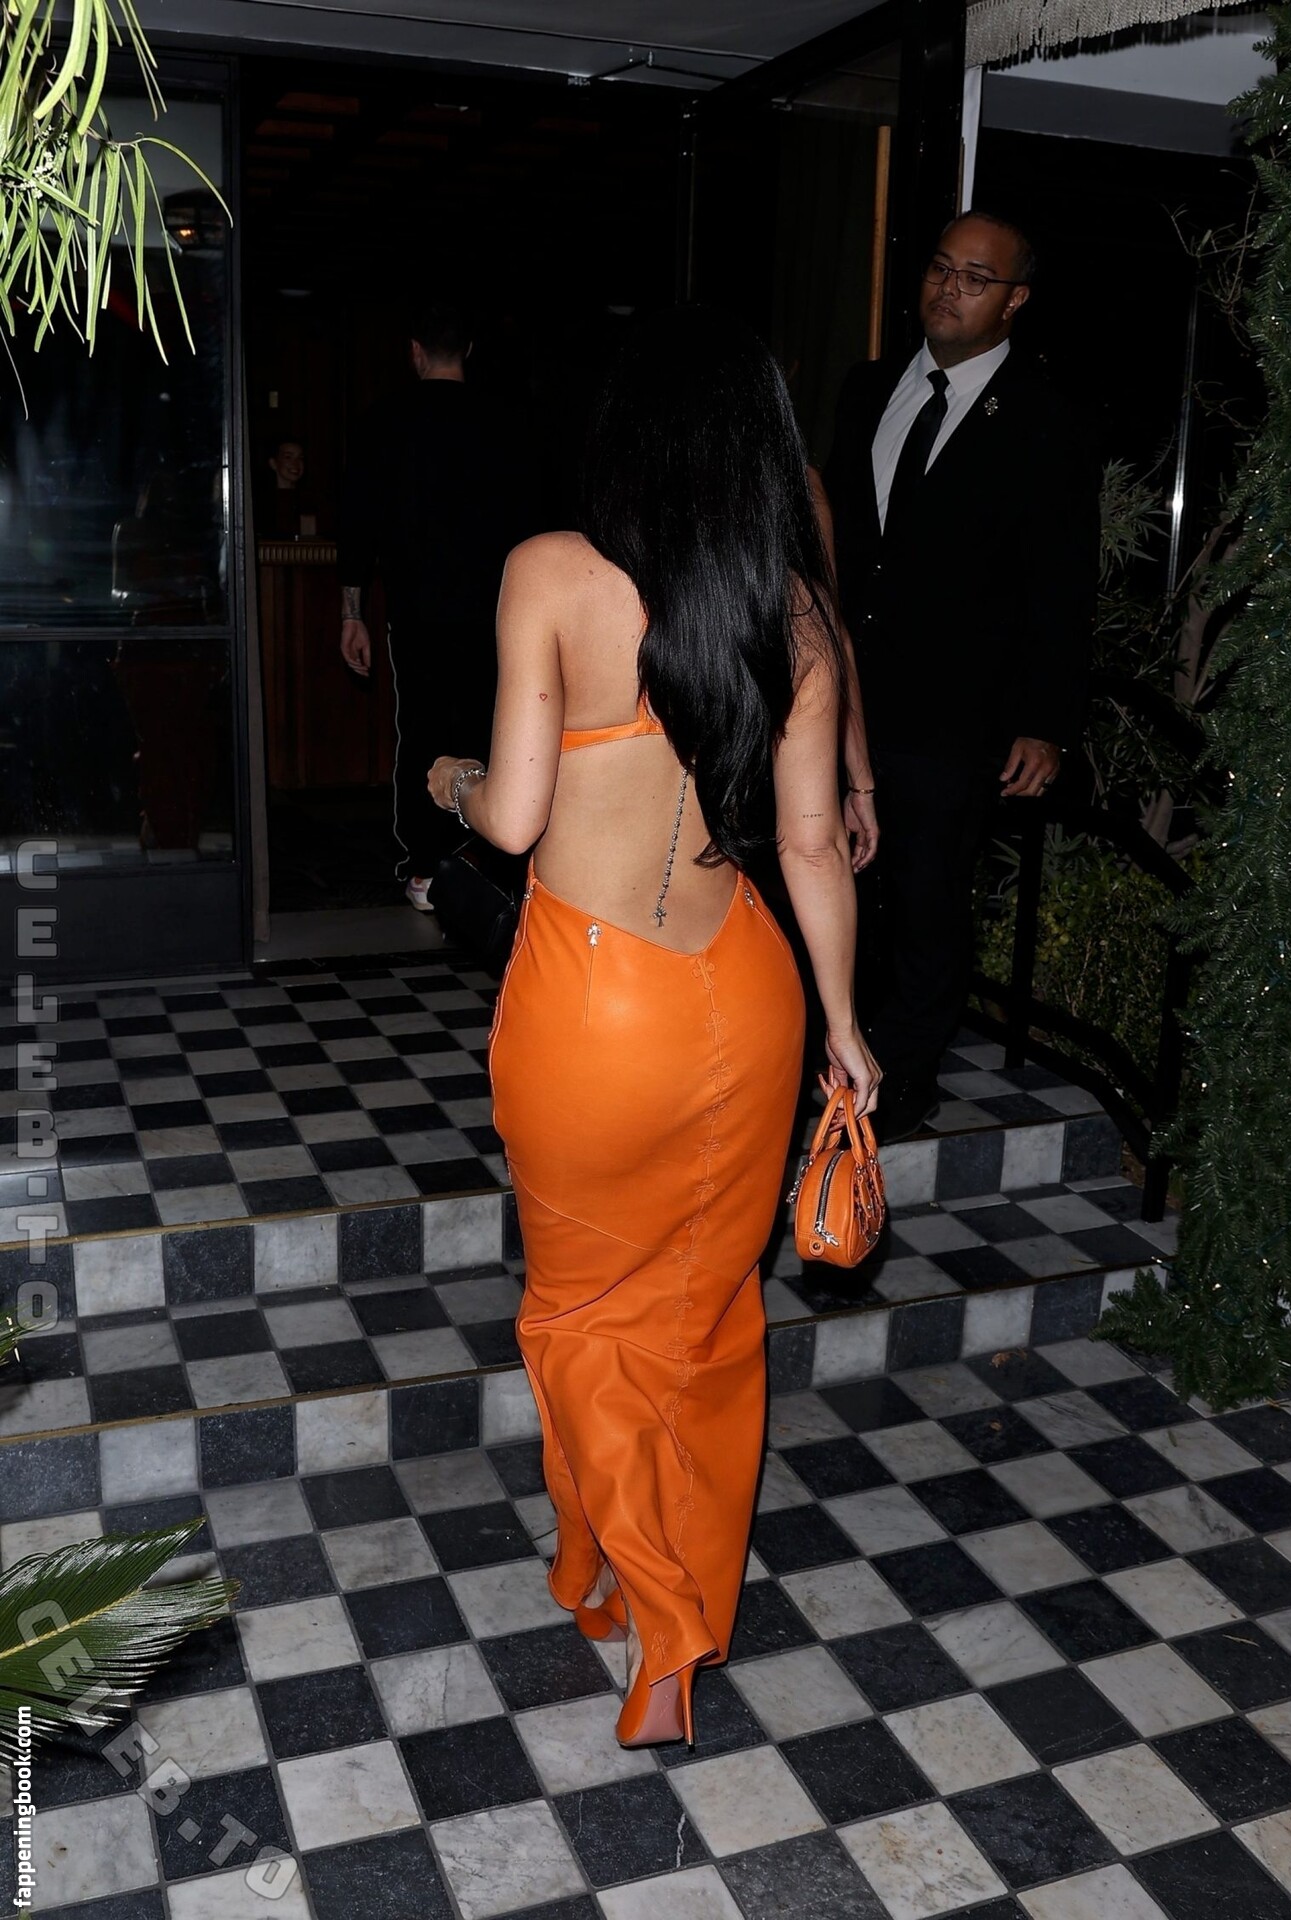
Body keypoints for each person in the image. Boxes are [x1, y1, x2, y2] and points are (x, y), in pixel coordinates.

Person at [427, 308, 879, 1749]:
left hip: (595, 1006)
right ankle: (630, 1582)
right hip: (745, 996)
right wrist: (845, 1026)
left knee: (581, 1319)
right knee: (703, 1317)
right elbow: (811, 844)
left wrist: (446, 780)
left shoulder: (552, 573)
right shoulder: (796, 610)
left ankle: (660, 1626)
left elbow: (512, 819)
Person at [822, 210, 1098, 1141]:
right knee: (829, 876)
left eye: (974, 278)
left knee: (925, 894)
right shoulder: (867, 388)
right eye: (940, 268)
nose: (947, 288)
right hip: (839, 698)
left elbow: (1062, 582)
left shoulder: (1047, 421)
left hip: (954, 711)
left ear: (1014, 300)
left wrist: (1044, 720)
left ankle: (900, 1079)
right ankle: (827, 1051)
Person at [338, 297, 523, 911]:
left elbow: (357, 527)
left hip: (416, 612)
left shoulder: (383, 421)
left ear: (415, 352)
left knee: (421, 732)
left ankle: (424, 870)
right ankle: (486, 861)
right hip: (495, 612)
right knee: (491, 730)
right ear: (467, 350)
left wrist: (351, 613)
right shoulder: (504, 423)